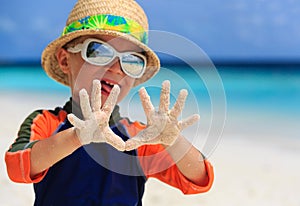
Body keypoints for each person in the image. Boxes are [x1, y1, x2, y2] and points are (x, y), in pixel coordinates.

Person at [4, 0, 214, 205]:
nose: (116, 68)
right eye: (99, 51)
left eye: (131, 60)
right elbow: (18, 166)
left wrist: (173, 140)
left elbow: (199, 178)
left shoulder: (137, 139)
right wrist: (76, 137)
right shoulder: (46, 123)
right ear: (65, 60)